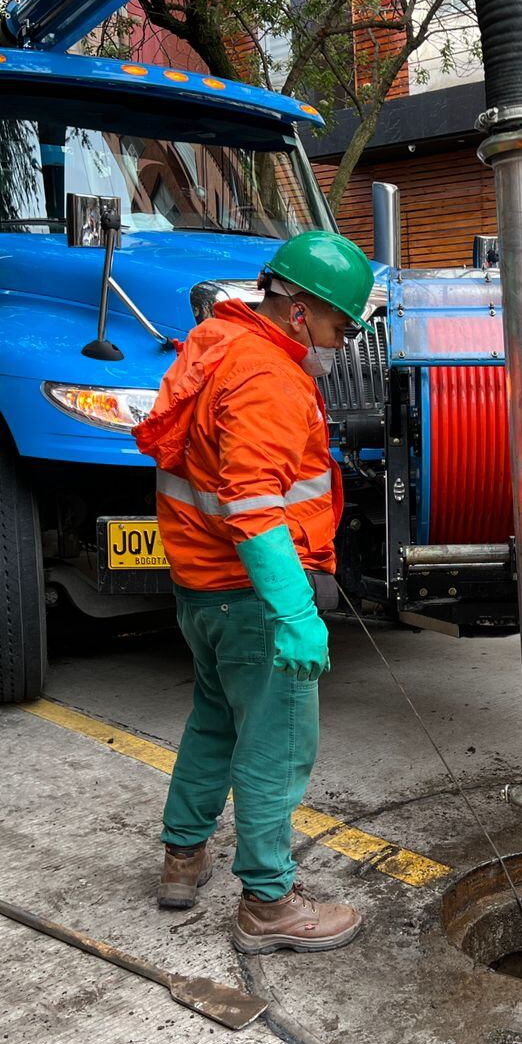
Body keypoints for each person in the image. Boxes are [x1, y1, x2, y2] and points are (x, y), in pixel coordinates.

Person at [133, 229, 375, 954]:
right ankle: (269, 904)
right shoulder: (266, 376)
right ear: (298, 309)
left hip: (202, 588)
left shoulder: (214, 343)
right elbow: (254, 505)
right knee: (275, 745)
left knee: (215, 721)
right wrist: (296, 613)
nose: (341, 342)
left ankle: (183, 856)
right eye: (339, 324)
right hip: (252, 599)